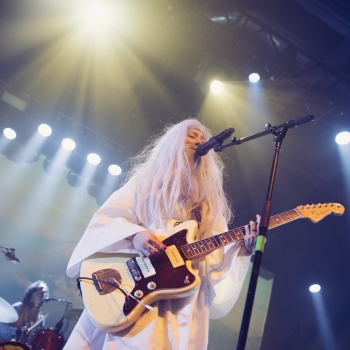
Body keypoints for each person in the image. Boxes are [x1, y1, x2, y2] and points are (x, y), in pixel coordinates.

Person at [64, 119, 260, 349]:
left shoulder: (209, 201)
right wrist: (136, 234)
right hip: (136, 280)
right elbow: (107, 217)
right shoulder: (145, 183)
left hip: (180, 290)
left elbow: (216, 253)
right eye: (192, 135)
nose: (199, 141)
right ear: (175, 141)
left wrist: (242, 248)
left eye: (202, 138)